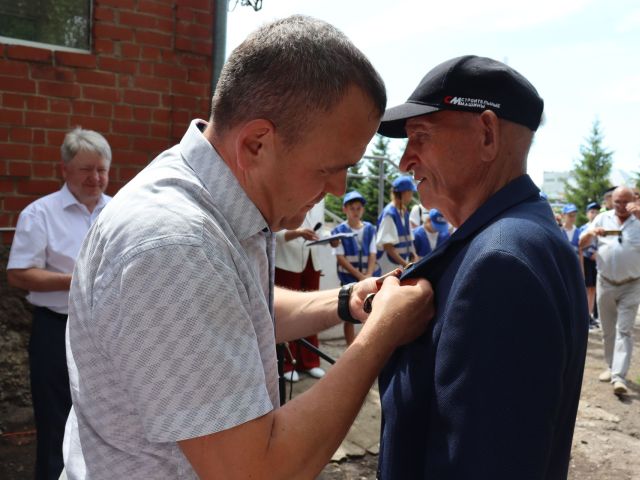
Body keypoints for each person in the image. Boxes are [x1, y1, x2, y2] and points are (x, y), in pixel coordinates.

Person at [62, 16, 434, 479]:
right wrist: (383, 333)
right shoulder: (175, 248)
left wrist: (343, 301)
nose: (338, 189)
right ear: (257, 143)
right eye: (329, 168)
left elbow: (234, 313)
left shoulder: (221, 206)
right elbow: (257, 471)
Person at [375, 55, 588, 478]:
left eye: (420, 136)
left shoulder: (500, 262)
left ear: (487, 134)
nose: (405, 160)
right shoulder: (519, 236)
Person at [7, 127, 112, 480]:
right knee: (55, 424)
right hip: (56, 329)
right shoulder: (40, 214)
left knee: (104, 424)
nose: (95, 178)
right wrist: (76, 281)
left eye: (102, 169)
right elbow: (19, 273)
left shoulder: (120, 212)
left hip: (107, 331)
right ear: (65, 169)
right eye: (86, 169)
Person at [579, 186, 640, 396]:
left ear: (634, 200)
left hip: (632, 283)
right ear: (611, 200)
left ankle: (619, 377)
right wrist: (591, 232)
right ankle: (610, 367)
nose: (620, 206)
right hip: (605, 281)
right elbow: (580, 243)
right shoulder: (602, 218)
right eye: (616, 201)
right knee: (608, 330)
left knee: (624, 330)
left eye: (625, 202)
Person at [275, 201, 326, 382]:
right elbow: (272, 231)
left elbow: (319, 228)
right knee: (289, 314)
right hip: (287, 261)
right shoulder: (287, 188)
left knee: (313, 310)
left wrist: (329, 239)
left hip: (312, 261)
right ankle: (287, 362)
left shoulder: (321, 199)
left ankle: (310, 361)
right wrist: (297, 233)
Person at [331, 190, 380, 345]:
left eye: (359, 208)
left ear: (363, 210)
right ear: (345, 209)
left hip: (369, 276)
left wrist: (369, 274)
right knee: (348, 314)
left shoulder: (370, 229)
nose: (356, 212)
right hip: (348, 279)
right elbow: (340, 258)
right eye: (352, 208)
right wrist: (360, 276)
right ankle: (350, 346)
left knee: (371, 310)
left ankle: (368, 344)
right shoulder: (338, 231)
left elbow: (373, 254)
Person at [376, 175, 418, 272]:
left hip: (400, 264)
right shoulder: (389, 214)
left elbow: (409, 239)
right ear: (401, 193)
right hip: (389, 267)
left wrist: (413, 255)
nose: (412, 196)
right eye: (410, 192)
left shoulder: (404, 212)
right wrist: (406, 265)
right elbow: (388, 246)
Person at [577, 201, 601, 329]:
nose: (594, 214)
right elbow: (580, 244)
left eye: (597, 212)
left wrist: (598, 252)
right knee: (586, 288)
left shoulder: (601, 227)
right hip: (585, 260)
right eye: (592, 212)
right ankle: (584, 315)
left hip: (596, 261)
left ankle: (590, 315)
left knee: (593, 289)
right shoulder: (583, 228)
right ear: (587, 214)